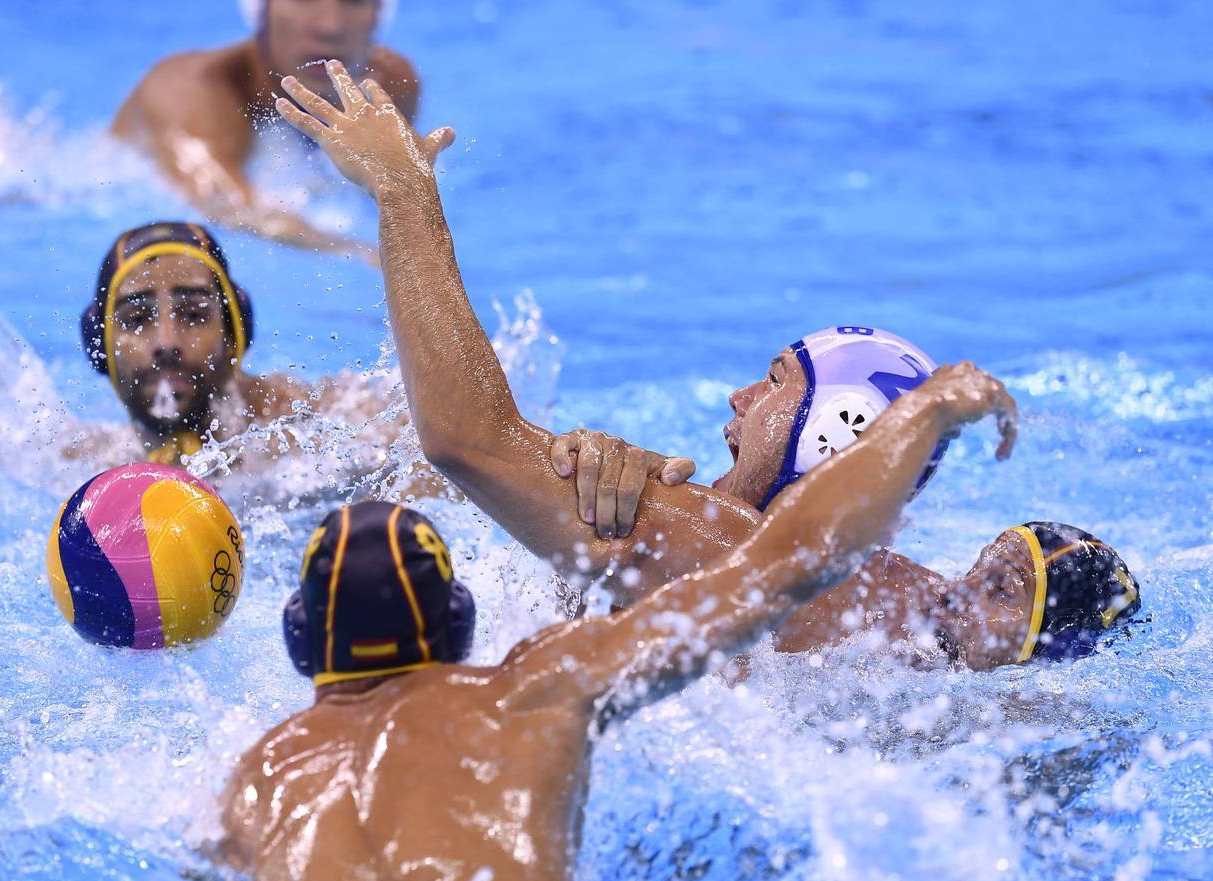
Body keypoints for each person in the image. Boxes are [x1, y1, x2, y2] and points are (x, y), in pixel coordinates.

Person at [271, 64, 1144, 669]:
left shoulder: (753, 557)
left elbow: (468, 440)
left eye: (775, 383)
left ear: (836, 433)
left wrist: (404, 196)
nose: (738, 395)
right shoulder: (887, 605)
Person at [221, 362, 1022, 881]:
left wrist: (592, 562)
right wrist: (930, 409)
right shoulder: (540, 688)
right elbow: (790, 561)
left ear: (299, 642)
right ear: (462, 622)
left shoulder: (253, 783)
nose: (738, 401)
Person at [111, 0, 418, 262]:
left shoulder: (389, 85)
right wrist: (360, 253)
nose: (330, 26)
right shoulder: (190, 92)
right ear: (262, 12)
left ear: (379, 14)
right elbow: (229, 209)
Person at [76, 220, 396, 466]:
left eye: (193, 315)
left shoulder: (314, 429)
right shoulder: (90, 462)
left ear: (234, 335)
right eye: (136, 320)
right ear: (101, 347)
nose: (167, 342)